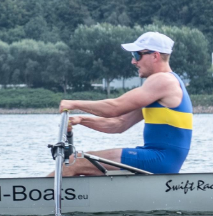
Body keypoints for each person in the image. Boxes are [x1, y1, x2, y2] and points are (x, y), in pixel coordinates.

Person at [55, 31, 193, 176]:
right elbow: (119, 123)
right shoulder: (161, 87)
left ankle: (36, 197)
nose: (133, 61)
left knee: (75, 162)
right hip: (159, 159)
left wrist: (74, 104)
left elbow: (115, 107)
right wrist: (82, 120)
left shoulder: (163, 80)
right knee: (84, 165)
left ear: (155, 56)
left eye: (137, 55)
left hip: (159, 159)